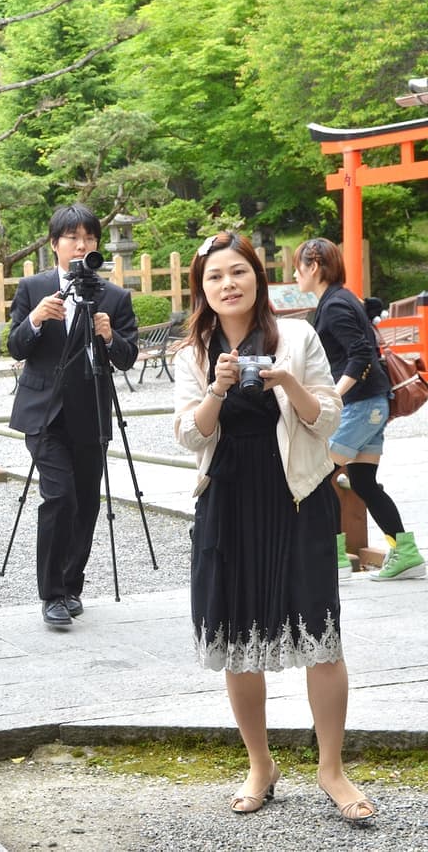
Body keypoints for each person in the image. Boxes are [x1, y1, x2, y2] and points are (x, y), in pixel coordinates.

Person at [173, 232, 374, 823]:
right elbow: (188, 435)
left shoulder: (299, 335)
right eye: (215, 277)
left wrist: (286, 382)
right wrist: (218, 387)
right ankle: (260, 764)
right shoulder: (192, 353)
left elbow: (326, 419)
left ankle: (331, 769)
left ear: (258, 278)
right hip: (229, 502)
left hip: (297, 498)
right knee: (238, 641)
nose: (227, 284)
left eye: (238, 272)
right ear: (202, 290)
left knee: (320, 634)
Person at [7, 203, 138, 628]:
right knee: (59, 496)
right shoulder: (33, 287)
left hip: (91, 416)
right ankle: (52, 594)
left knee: (85, 504)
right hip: (42, 412)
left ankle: (71, 585)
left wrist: (109, 335)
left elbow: (127, 358)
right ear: (55, 244)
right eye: (72, 238)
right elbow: (16, 346)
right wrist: (36, 319)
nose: (81, 245)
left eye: (88, 238)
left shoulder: (113, 296)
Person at [296, 237, 422, 582]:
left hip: (360, 404)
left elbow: (360, 354)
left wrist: (335, 396)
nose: (295, 274)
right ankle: (405, 552)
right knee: (363, 482)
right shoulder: (340, 299)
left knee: (321, 477)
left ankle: (333, 558)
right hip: (372, 403)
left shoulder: (335, 305)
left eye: (298, 267)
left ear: (314, 267)